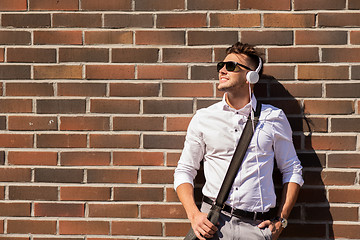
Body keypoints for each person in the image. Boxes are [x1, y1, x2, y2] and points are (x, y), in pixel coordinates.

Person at [174, 42, 304, 240]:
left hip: (256, 228)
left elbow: (292, 169)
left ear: (251, 76)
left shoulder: (274, 117)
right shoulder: (203, 118)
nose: (223, 70)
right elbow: (184, 170)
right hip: (213, 225)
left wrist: (281, 221)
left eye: (232, 66)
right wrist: (194, 215)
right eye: (221, 66)